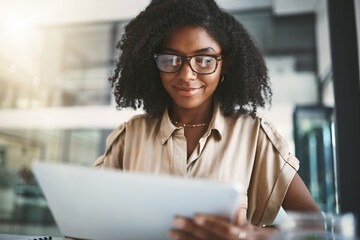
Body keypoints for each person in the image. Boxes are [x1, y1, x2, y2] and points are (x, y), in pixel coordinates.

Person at [94, 0, 320, 239]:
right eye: (171, 59)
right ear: (154, 64)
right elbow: (88, 217)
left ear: (225, 65)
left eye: (204, 60)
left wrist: (253, 235)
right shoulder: (130, 137)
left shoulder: (254, 136)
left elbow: (316, 227)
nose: (186, 75)